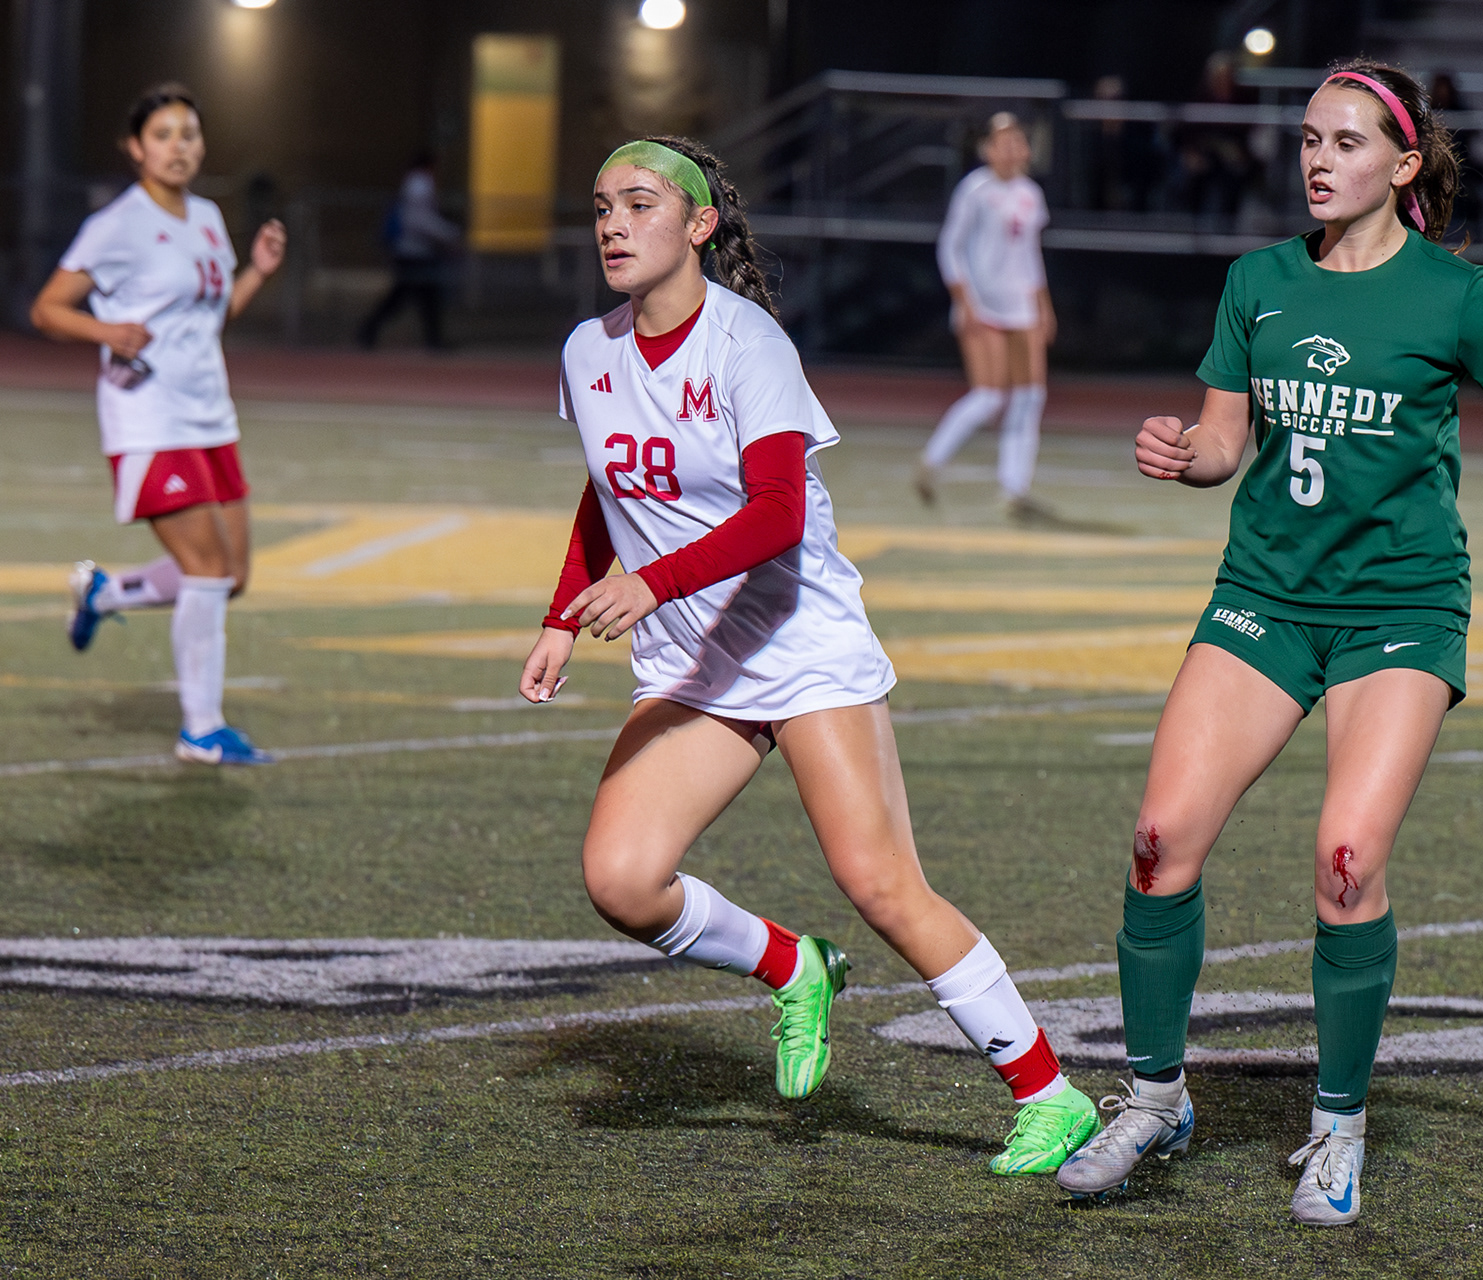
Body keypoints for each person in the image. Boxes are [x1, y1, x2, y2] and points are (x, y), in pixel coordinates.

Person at [1051, 63, 1483, 1223]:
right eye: (1309, 139)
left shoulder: (1459, 296)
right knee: (1160, 843)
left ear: (1404, 163)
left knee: (1347, 860)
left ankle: (1337, 1125)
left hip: (1402, 609)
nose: (1319, 160)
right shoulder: (1258, 281)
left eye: (1348, 142)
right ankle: (1156, 1099)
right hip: (1265, 597)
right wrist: (1183, 451)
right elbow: (1224, 443)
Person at [519, 136, 1098, 1174]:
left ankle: (1052, 1096)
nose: (612, 224)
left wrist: (650, 583)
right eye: (601, 206)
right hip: (694, 662)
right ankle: (796, 967)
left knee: (881, 883)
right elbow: (608, 488)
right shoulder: (586, 350)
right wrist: (563, 613)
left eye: (639, 204)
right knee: (621, 878)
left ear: (699, 225)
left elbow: (779, 511)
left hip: (800, 645)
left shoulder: (747, 343)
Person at [30, 82, 286, 765]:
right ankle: (201, 728)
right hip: (148, 419)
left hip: (211, 417)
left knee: (231, 576)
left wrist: (255, 275)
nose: (179, 147)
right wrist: (107, 331)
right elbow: (47, 309)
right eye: (164, 135)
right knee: (207, 571)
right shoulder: (117, 224)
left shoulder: (206, 216)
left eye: (189, 134)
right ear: (135, 148)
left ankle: (103, 593)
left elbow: (209, 319)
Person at [916, 113, 1055, 519]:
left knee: (1030, 396)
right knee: (990, 396)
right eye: (1003, 142)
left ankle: (1014, 489)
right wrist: (964, 301)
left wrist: (1044, 306)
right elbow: (950, 246)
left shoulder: (1031, 194)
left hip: (1021, 306)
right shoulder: (975, 190)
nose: (1012, 150)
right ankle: (931, 462)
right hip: (984, 305)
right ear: (988, 150)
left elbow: (1030, 255)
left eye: (1017, 141)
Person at [357, 151, 462, 350]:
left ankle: (432, 339)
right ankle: (369, 330)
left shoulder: (413, 183)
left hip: (413, 250)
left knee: (419, 296)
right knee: (412, 296)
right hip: (415, 251)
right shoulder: (420, 185)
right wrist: (449, 234)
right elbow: (421, 220)